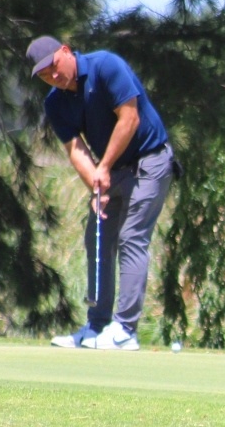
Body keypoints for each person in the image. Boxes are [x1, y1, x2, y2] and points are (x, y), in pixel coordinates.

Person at [26, 35, 178, 350]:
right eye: (44, 75)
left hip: (150, 161)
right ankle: (97, 326)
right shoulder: (55, 103)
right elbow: (76, 149)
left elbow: (130, 118)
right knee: (97, 238)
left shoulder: (106, 66)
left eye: (53, 66)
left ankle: (125, 331)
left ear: (65, 52)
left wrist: (104, 166)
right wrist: (95, 186)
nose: (53, 76)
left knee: (131, 237)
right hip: (115, 170)